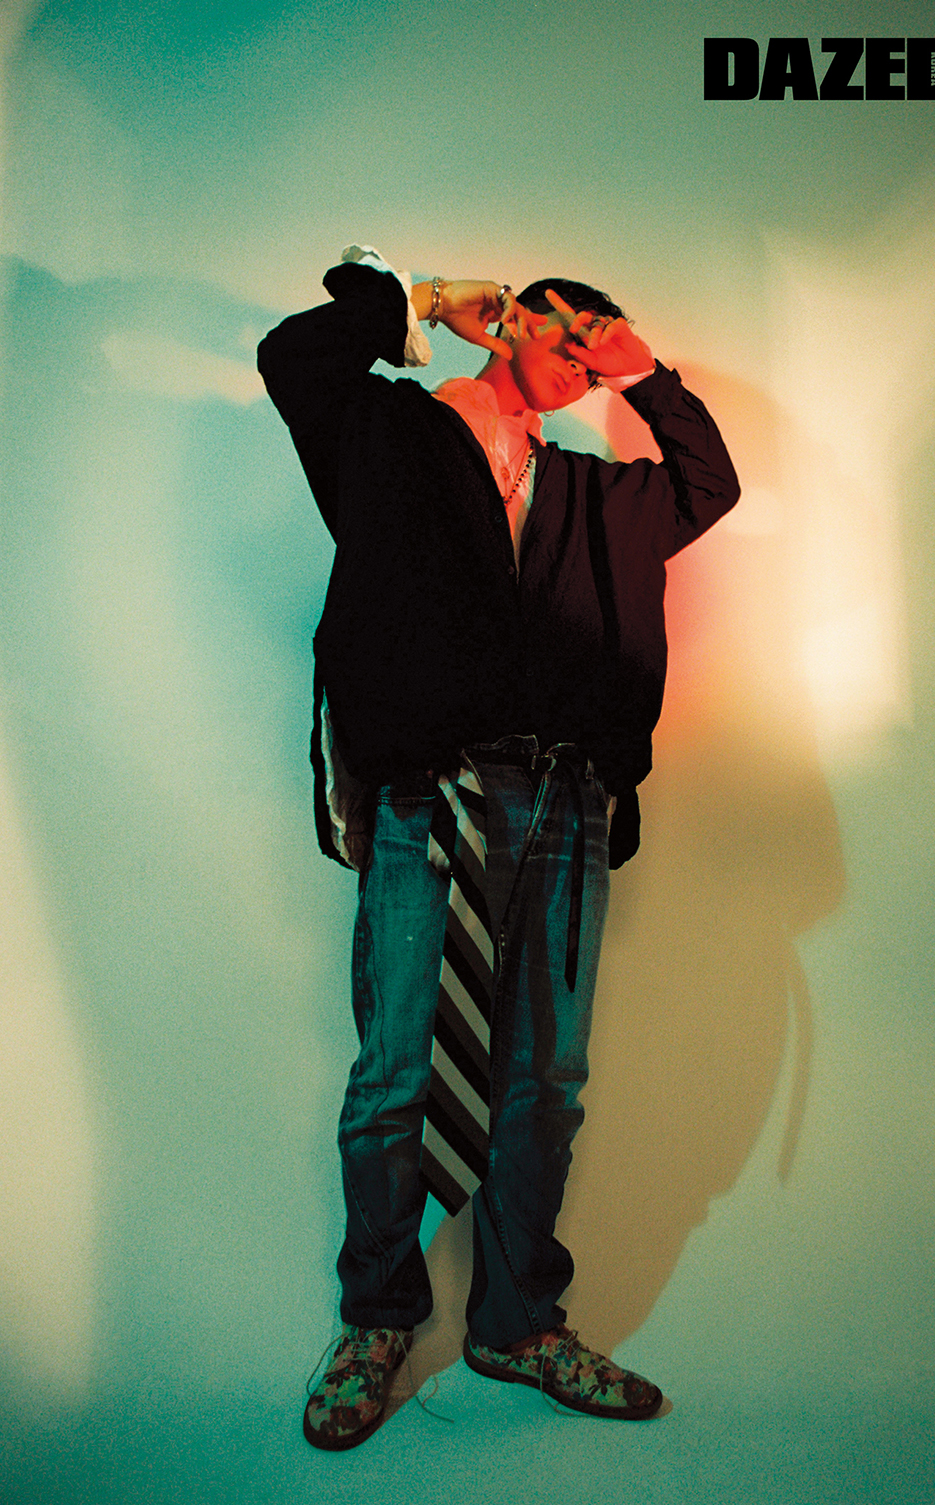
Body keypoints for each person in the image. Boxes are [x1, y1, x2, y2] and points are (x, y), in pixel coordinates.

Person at [257, 245, 740, 1450]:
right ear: (510, 321)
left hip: (564, 804)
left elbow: (707, 484)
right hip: (423, 794)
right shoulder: (393, 441)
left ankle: (519, 1323)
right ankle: (376, 1318)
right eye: (566, 332)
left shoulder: (596, 495)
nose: (581, 357)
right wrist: (424, 301)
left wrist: (644, 372)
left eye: (597, 347)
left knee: (544, 1081)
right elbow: (295, 357)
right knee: (392, 1073)